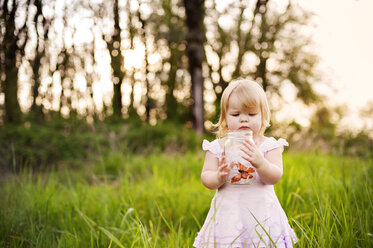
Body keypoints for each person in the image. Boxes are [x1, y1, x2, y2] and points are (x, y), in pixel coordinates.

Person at [193, 79, 298, 248]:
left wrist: (260, 163)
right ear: (225, 118)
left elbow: (274, 177)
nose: (244, 120)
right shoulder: (218, 147)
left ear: (263, 115)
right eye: (236, 115)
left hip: (262, 213)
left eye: (251, 114)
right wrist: (219, 176)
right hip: (229, 212)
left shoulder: (269, 146)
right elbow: (206, 177)